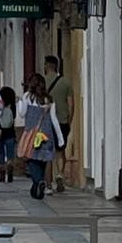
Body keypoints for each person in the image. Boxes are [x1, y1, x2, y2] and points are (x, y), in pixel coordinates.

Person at [16, 74, 65, 200]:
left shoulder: (27, 96)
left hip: (32, 134)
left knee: (32, 160)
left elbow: (22, 114)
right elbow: (54, 119)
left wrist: (19, 102)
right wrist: (60, 138)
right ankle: (40, 182)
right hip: (46, 134)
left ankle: (38, 181)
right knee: (44, 159)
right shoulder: (49, 99)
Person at [44, 54, 74, 191]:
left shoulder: (42, 82)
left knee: (47, 152)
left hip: (47, 121)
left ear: (46, 66)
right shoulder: (66, 82)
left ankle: (48, 183)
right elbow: (71, 104)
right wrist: (69, 120)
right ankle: (60, 174)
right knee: (60, 151)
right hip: (62, 121)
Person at [0, 84, 18, 183]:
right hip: (10, 132)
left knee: (1, 153)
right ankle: (10, 166)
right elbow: (14, 117)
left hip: (0, 132)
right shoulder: (12, 107)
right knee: (10, 153)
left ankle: (2, 173)